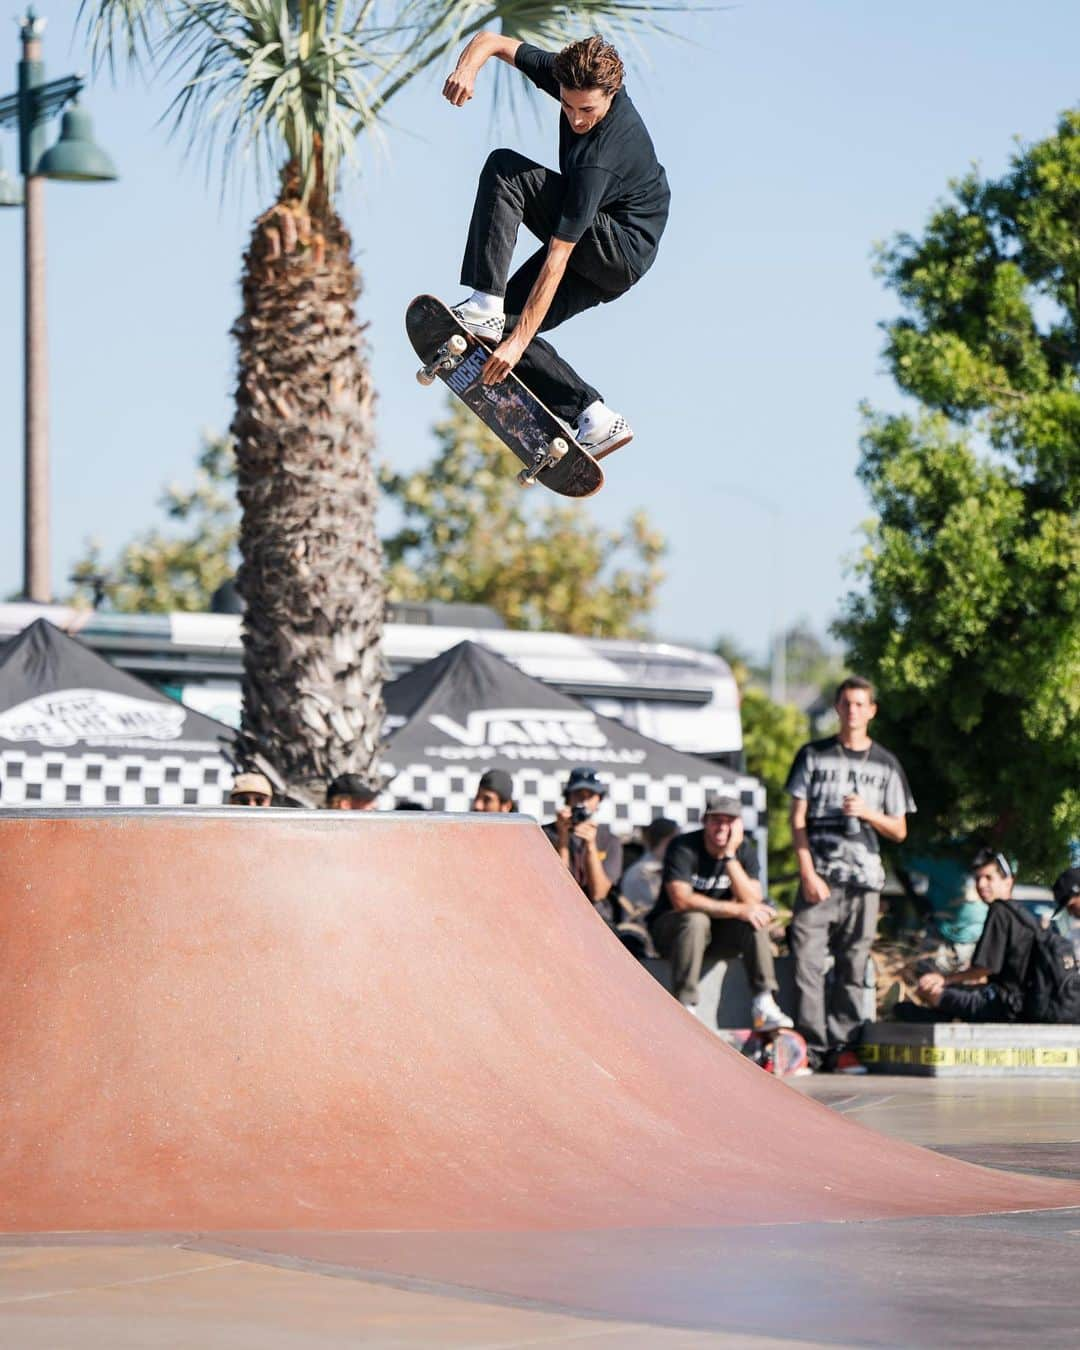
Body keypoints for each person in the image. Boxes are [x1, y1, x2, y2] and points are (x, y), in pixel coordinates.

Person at [442, 31, 670, 456]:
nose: (576, 119)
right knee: (511, 323)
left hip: (617, 245)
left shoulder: (600, 161)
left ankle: (484, 306)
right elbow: (493, 41)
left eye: (587, 109)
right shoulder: (565, 75)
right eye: (567, 105)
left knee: (506, 171)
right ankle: (594, 417)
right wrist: (466, 69)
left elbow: (558, 256)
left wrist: (514, 344)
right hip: (613, 265)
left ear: (612, 93)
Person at [786, 676, 916, 1073]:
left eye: (861, 704)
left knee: (852, 964)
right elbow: (796, 819)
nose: (853, 710)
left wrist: (868, 813)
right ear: (837, 708)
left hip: (864, 881)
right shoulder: (813, 754)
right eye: (846, 703)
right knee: (806, 962)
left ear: (872, 710)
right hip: (820, 876)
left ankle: (843, 1047)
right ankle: (811, 1044)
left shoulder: (886, 763)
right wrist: (807, 872)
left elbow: (899, 829)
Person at [647, 790, 792, 1031]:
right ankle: (686, 1005)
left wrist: (729, 858)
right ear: (705, 822)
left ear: (739, 825)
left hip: (719, 936)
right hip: (674, 933)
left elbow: (754, 900)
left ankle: (763, 1001)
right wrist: (738, 910)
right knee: (696, 920)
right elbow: (681, 900)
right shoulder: (683, 846)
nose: (722, 827)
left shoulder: (744, 849)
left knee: (755, 920)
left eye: (730, 821)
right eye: (716, 820)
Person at [897, 848, 1031, 1022]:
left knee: (931, 991)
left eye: (989, 878)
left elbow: (984, 969)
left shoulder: (1000, 912)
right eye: (978, 879)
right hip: (1011, 1000)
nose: (981, 885)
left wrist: (945, 979)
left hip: (1004, 1004)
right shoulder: (1018, 913)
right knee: (950, 996)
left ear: (1008, 882)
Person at [543, 766, 623, 913]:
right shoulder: (544, 834)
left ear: (599, 800)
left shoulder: (609, 840)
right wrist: (563, 840)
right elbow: (557, 888)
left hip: (596, 914)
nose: (583, 802)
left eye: (590, 795)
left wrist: (591, 845)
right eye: (578, 795)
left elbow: (598, 893)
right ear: (568, 798)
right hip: (557, 910)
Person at [613, 816, 679, 958]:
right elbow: (648, 910)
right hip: (643, 939)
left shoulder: (657, 868)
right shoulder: (643, 872)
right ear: (668, 840)